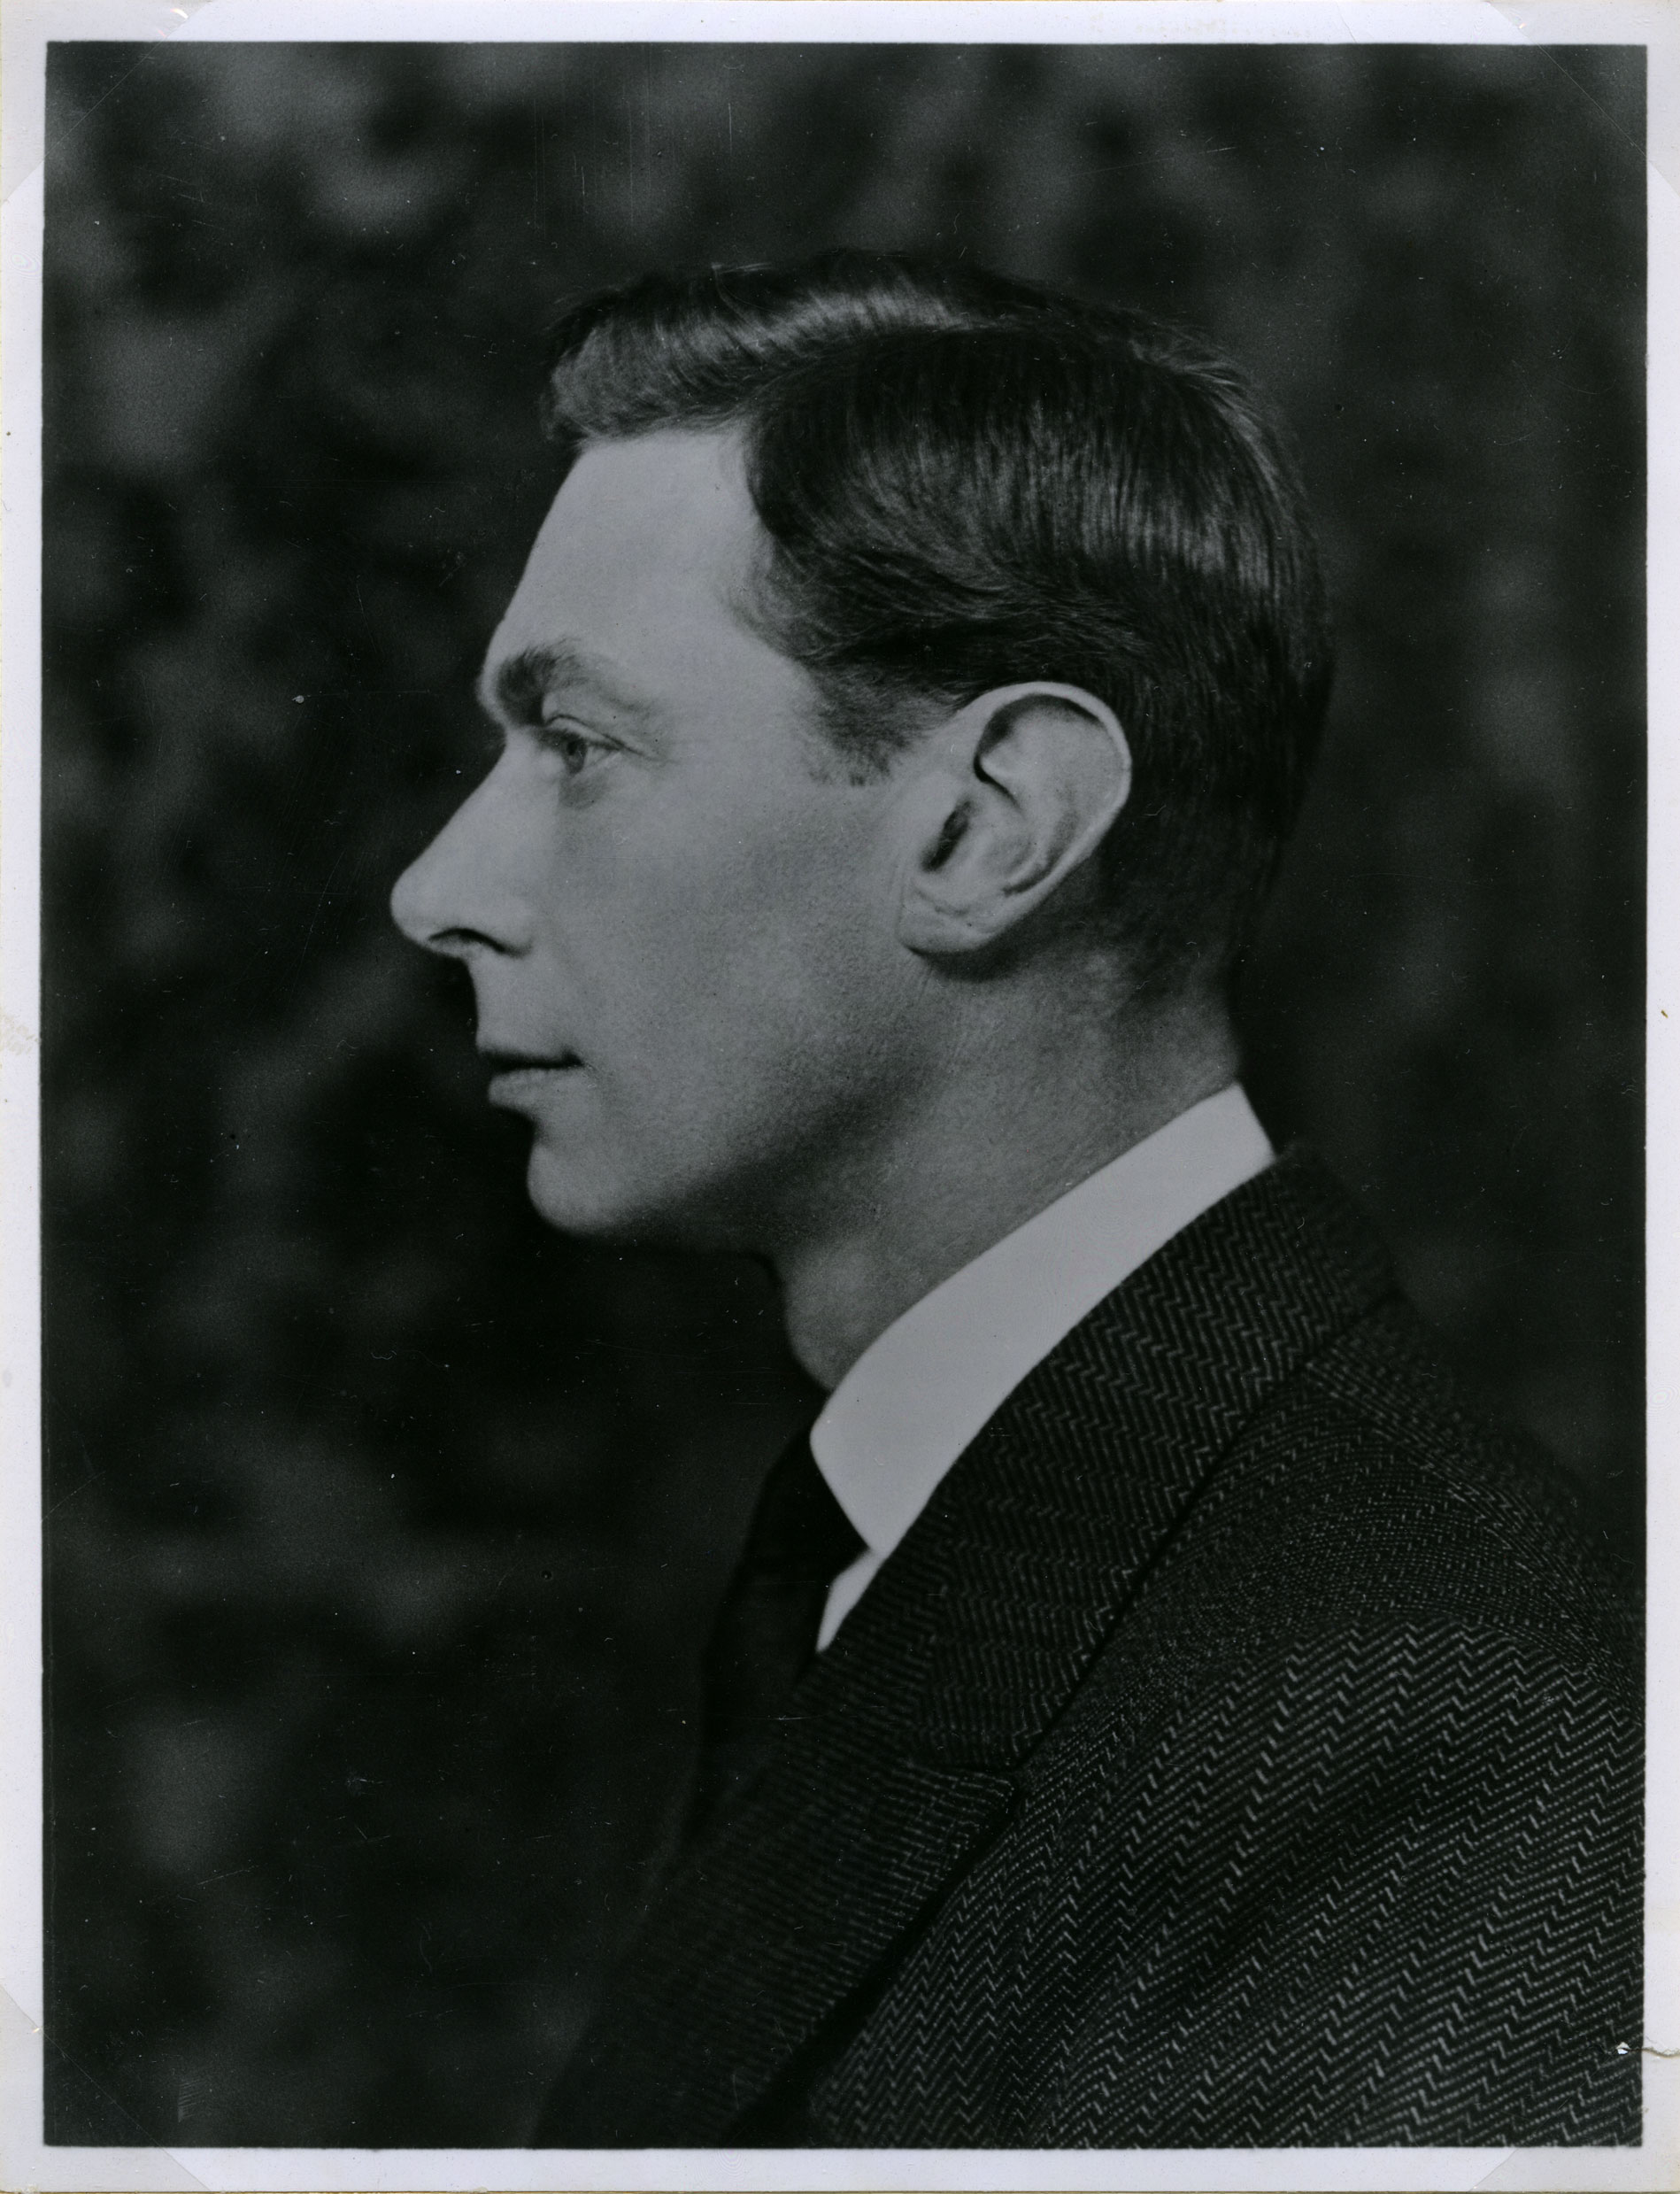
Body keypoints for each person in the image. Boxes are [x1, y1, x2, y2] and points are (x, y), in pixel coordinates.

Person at [389, 252, 1640, 2148]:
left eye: (576, 749)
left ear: (990, 828)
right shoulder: (942, 1533)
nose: (438, 889)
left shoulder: (1417, 1729)